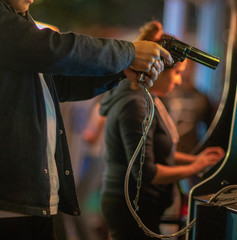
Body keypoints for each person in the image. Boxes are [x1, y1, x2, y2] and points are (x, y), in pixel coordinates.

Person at [0, 0, 173, 239]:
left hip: (25, 200)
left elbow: (60, 83)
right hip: (10, 202)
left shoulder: (19, 22)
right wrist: (128, 53)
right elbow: (52, 49)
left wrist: (121, 71)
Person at [99, 21, 225, 240]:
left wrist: (193, 160)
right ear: (157, 67)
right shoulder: (135, 102)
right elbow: (145, 172)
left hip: (142, 205)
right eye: (177, 73)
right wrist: (194, 166)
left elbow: (154, 153)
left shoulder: (149, 98)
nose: (178, 81)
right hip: (131, 207)